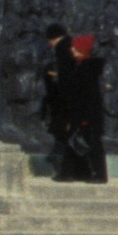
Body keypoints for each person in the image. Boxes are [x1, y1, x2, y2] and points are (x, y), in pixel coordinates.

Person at [60, 34, 108, 184]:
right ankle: (74, 173)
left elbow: (88, 96)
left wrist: (85, 118)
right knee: (78, 142)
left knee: (88, 143)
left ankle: (96, 174)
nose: (72, 50)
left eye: (75, 48)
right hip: (82, 114)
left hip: (85, 115)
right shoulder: (82, 67)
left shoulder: (86, 70)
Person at [43, 23, 75, 179]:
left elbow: (66, 78)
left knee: (63, 137)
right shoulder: (72, 47)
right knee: (64, 138)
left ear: (53, 38)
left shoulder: (62, 49)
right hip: (69, 102)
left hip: (65, 103)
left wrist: (53, 76)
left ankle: (65, 172)